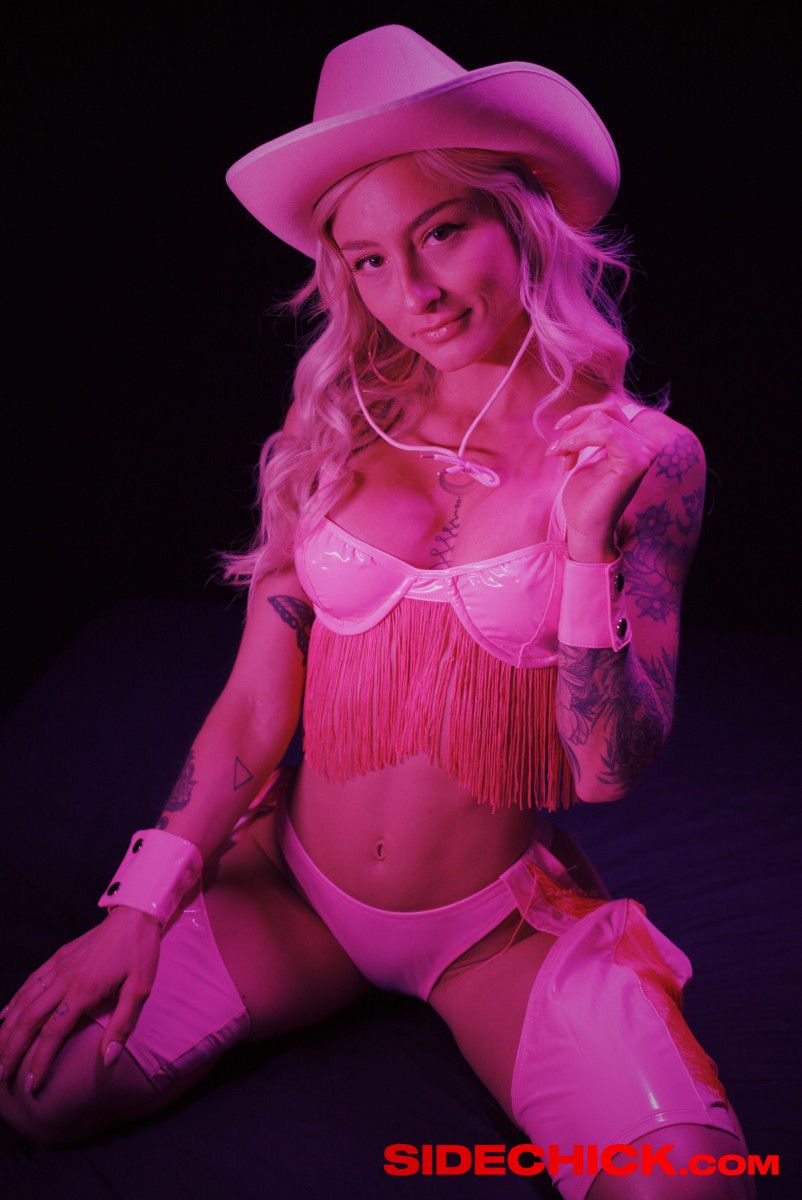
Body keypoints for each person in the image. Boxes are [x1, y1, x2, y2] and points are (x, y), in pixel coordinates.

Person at [0, 25, 754, 1199]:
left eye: (440, 232)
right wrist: (141, 902)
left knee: (693, 1189)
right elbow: (255, 707)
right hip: (294, 889)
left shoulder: (642, 458)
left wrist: (584, 551)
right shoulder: (331, 434)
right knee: (39, 1088)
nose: (413, 293)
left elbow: (606, 772)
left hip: (491, 929)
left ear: (518, 216)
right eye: (367, 260)